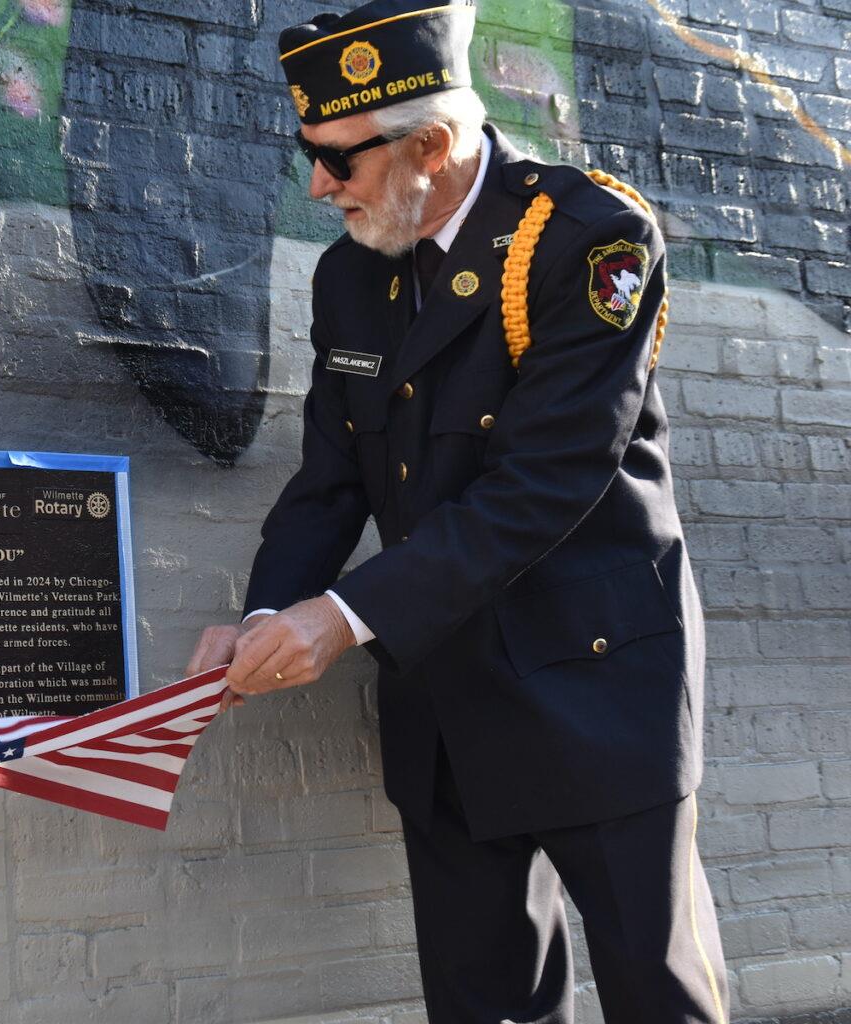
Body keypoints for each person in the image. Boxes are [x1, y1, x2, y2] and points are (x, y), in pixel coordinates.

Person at [187, 2, 729, 1021]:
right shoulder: (351, 274)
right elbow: (330, 479)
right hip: (445, 693)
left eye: (338, 161)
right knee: (484, 1003)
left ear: (429, 146)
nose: (315, 186)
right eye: (306, 153)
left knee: (660, 992)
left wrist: (340, 618)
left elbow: (547, 482)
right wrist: (268, 613)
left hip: (596, 681)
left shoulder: (589, 236)